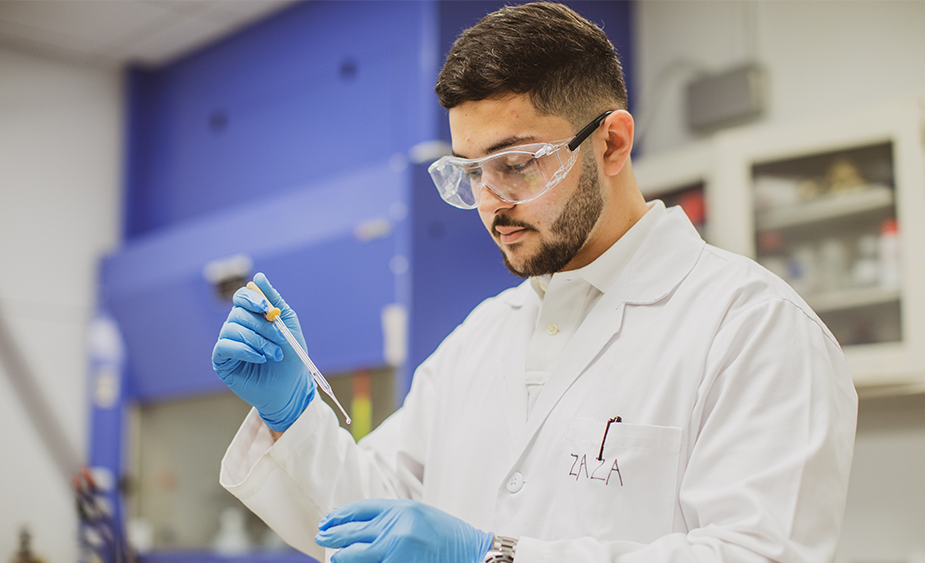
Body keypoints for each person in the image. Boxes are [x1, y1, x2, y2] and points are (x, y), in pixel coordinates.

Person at [214, 3, 858, 562]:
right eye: (471, 173)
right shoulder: (482, 337)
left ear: (611, 144)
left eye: (517, 164)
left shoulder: (751, 328)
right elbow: (365, 523)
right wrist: (291, 415)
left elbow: (755, 555)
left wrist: (493, 556)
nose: (492, 202)